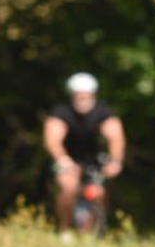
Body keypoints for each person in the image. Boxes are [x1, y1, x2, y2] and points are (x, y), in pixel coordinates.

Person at [42, 72, 123, 230]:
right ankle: (65, 229)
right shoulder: (61, 112)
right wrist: (63, 160)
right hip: (68, 159)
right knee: (68, 187)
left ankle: (90, 231)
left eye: (86, 95)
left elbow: (116, 138)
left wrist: (115, 161)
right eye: (78, 95)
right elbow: (52, 140)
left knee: (98, 193)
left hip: (94, 160)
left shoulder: (103, 112)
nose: (82, 98)